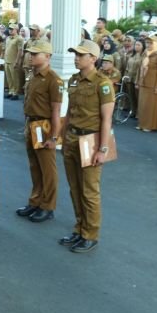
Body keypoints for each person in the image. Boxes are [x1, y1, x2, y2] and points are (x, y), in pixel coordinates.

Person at [59, 39, 114, 253]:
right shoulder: (74, 81)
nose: (76, 58)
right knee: (75, 188)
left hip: (90, 140)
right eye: (75, 54)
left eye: (80, 55)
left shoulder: (103, 83)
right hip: (72, 137)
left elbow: (107, 120)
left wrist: (103, 149)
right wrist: (62, 139)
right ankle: (79, 228)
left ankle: (90, 234)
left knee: (89, 190)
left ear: (93, 58)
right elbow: (69, 112)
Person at [17, 39, 63, 223]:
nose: (31, 56)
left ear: (48, 56)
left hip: (44, 126)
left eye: (35, 54)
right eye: (31, 53)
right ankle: (35, 201)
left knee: (47, 169)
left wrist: (54, 137)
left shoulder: (53, 79)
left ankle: (47, 206)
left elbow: (56, 111)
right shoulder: (33, 75)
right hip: (32, 124)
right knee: (34, 166)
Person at [137, 35, 157, 132]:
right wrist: (138, 81)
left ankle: (149, 125)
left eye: (150, 43)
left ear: (155, 44)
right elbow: (140, 68)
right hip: (143, 82)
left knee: (150, 106)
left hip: (152, 84)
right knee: (142, 105)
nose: (148, 45)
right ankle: (141, 123)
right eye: (147, 43)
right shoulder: (145, 53)